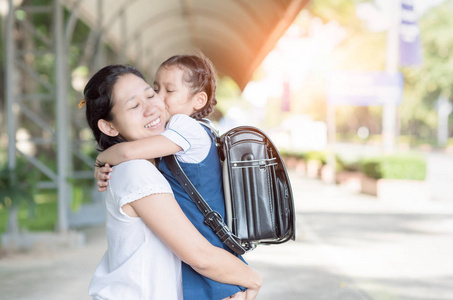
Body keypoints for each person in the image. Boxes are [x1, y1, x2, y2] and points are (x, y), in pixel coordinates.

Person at [82, 64, 261, 300]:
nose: (151, 108)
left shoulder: (160, 164)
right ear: (109, 126)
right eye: (134, 105)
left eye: (150, 94)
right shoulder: (136, 172)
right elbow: (200, 256)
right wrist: (251, 279)